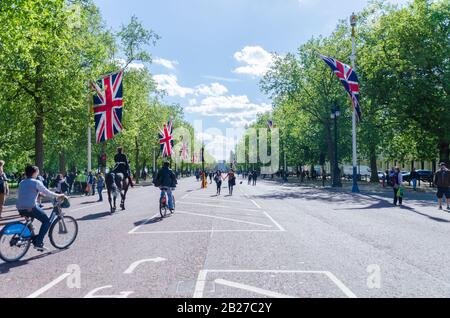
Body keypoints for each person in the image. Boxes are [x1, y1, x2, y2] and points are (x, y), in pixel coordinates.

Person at [16, 165, 65, 251]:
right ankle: (39, 242)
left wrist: (40, 194)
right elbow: (47, 192)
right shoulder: (36, 182)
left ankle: (28, 235)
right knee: (46, 221)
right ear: (34, 173)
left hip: (20, 207)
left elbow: (26, 193)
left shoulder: (22, 182)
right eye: (37, 172)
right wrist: (59, 195)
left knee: (31, 220)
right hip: (30, 207)